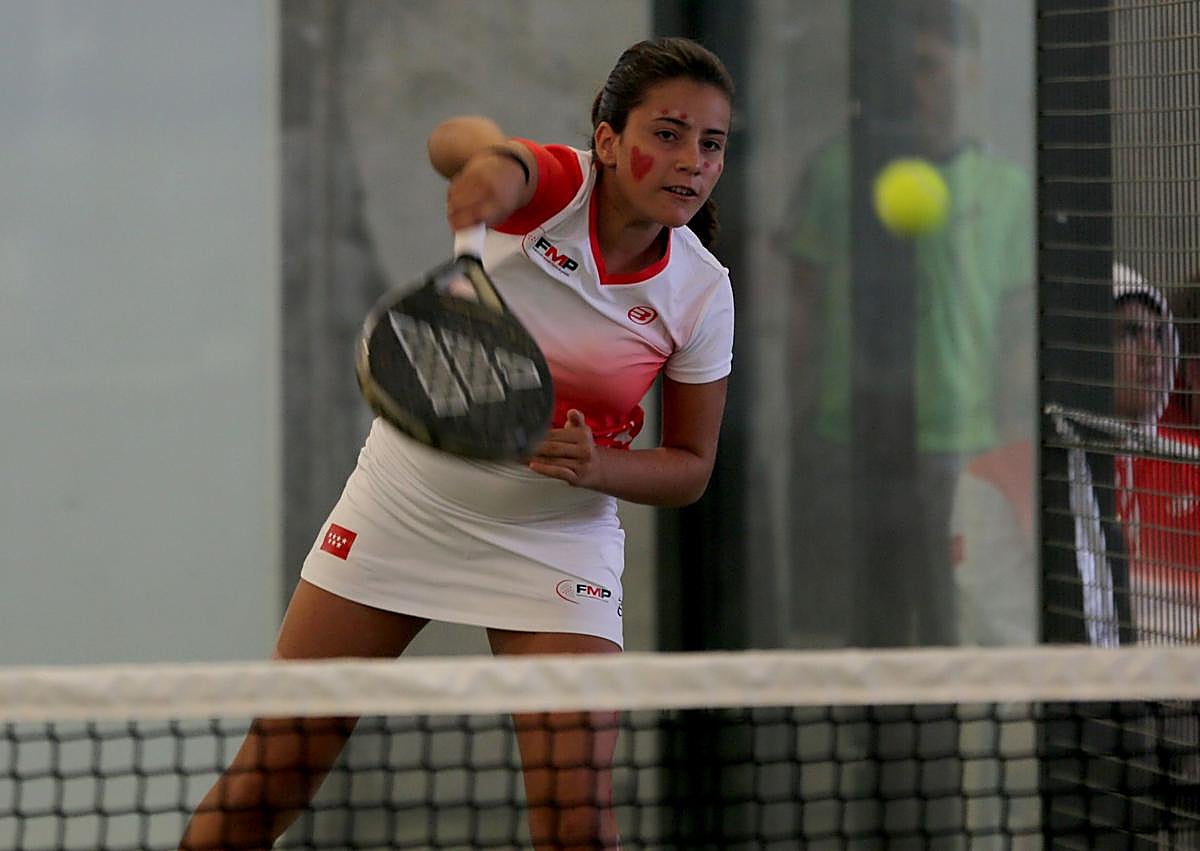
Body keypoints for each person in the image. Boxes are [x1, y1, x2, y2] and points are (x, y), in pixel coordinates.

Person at [180, 36, 735, 851]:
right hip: (405, 506)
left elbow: (690, 468)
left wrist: (600, 465)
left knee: (578, 821)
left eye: (712, 144)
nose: (692, 161)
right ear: (609, 140)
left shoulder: (701, 292)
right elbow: (464, 143)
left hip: (556, 540)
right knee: (271, 776)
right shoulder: (555, 186)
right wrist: (489, 169)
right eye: (668, 133)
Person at [781, 0, 1034, 645]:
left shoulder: (1008, 190)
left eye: (929, 65)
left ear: (971, 73)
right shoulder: (835, 170)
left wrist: (1012, 438)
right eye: (902, 67)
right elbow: (801, 310)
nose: (913, 83)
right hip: (849, 438)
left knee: (953, 625)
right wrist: (797, 418)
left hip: (962, 448)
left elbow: (1016, 335)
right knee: (858, 628)